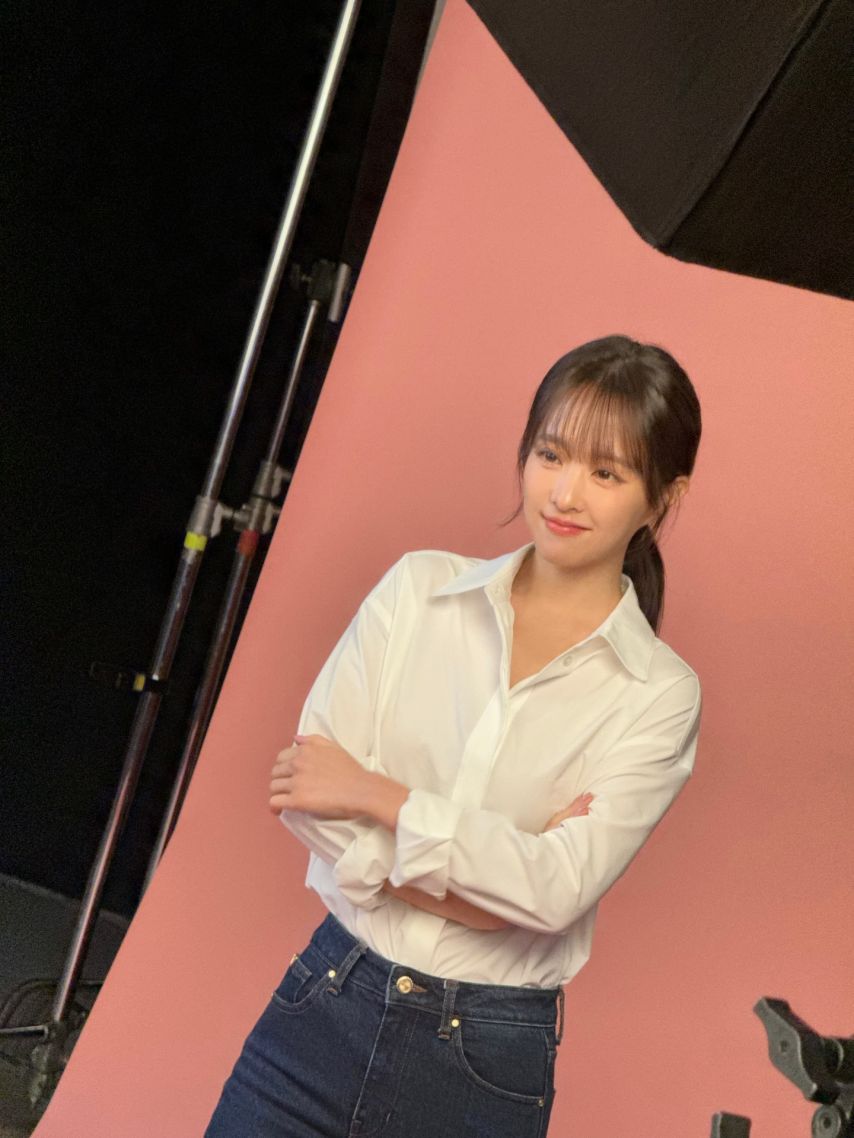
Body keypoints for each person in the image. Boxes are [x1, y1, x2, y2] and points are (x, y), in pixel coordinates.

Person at [203, 333, 703, 1137]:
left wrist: (378, 797)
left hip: (484, 1061)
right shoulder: (416, 592)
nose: (564, 493)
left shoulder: (659, 695)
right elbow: (308, 794)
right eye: (550, 454)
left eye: (606, 473)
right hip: (325, 1005)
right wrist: (489, 899)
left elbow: (554, 893)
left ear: (662, 498)